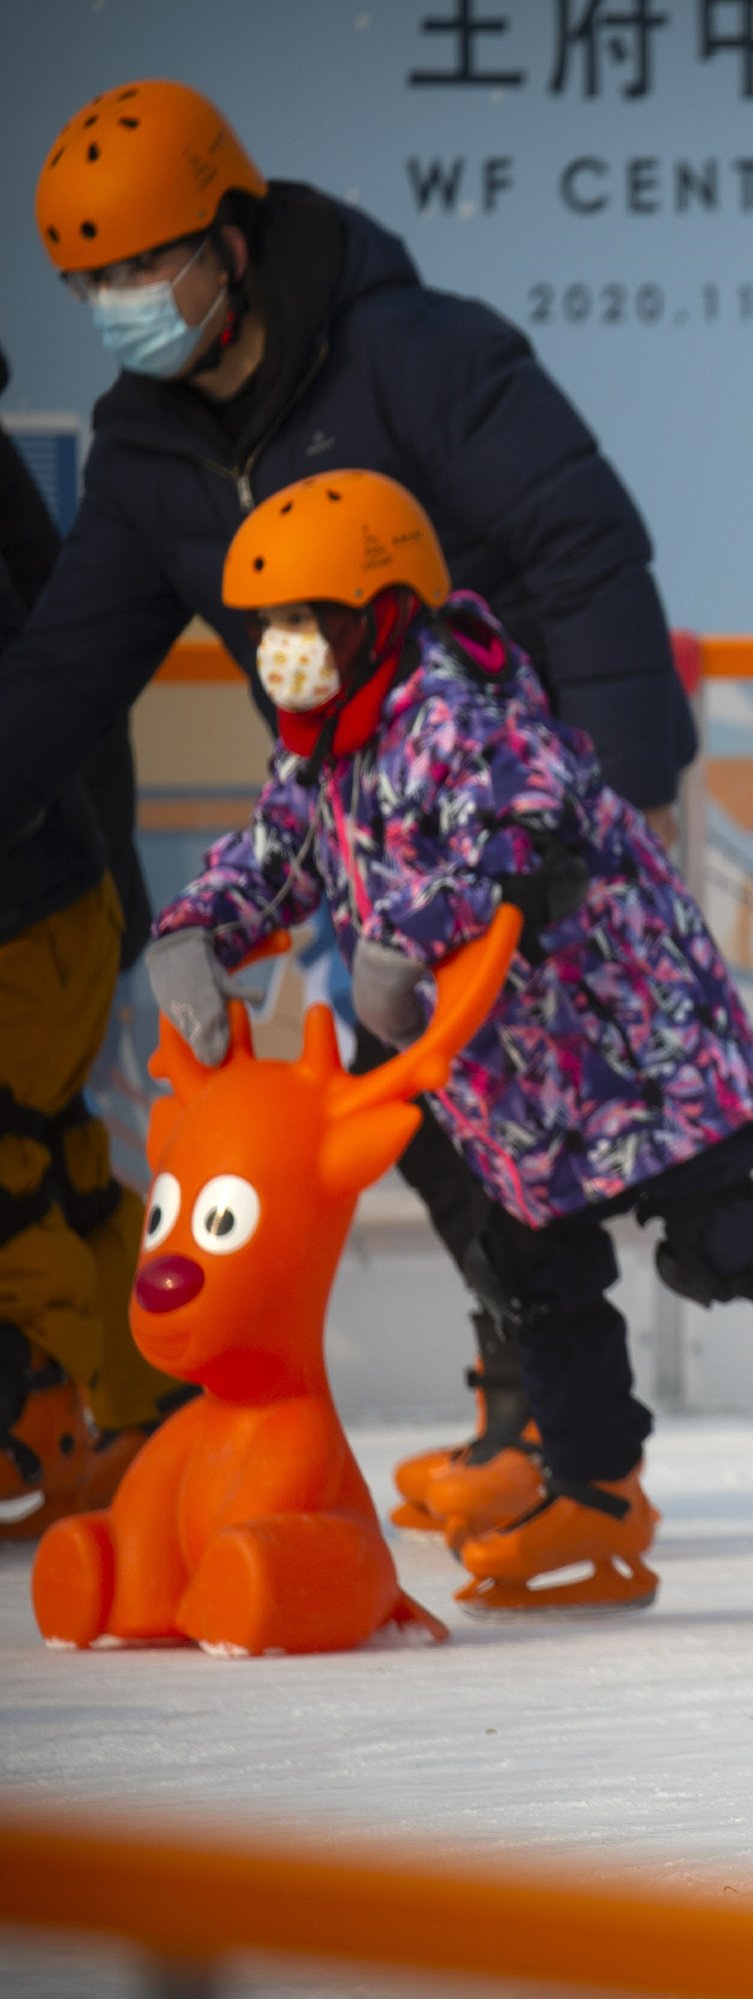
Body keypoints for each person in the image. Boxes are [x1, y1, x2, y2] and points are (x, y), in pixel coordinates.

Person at [148, 471, 753, 1610]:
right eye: (269, 626)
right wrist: (195, 930)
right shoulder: (327, 751)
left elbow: (520, 836)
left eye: (307, 619)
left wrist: (405, 939)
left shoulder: (463, 715)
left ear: (387, 612)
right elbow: (277, 856)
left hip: (633, 1053)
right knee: (536, 1272)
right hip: (516, 1092)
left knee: (732, 1238)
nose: (285, 649)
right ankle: (597, 1495)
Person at [12, 79, 700, 1531]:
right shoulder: (148, 454)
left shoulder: (421, 357)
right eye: (96, 285)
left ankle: (592, 1434)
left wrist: (609, 805)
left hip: (523, 812)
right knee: (430, 1120)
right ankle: (540, 1415)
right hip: (372, 823)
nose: (126, 303)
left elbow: (585, 555)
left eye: (147, 267)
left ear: (234, 242)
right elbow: (67, 668)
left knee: (596, 1142)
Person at [0, 341, 189, 1539]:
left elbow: (69, 683)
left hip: (29, 900)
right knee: (53, 1161)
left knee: (17, 1178)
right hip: (58, 889)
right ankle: (133, 1410)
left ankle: (77, 1417)